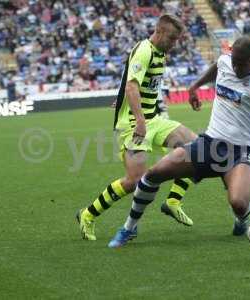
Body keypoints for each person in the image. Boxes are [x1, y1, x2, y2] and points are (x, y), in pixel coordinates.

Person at [108, 36, 250, 248]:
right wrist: (194, 87)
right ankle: (129, 228)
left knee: (238, 203)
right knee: (153, 174)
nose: (236, 68)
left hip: (241, 152)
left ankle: (242, 219)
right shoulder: (224, 62)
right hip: (209, 144)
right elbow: (216, 67)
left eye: (242, 64)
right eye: (234, 62)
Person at [76, 14, 198, 241]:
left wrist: (123, 98)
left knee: (197, 148)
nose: (174, 44)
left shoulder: (160, 52)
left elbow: (130, 81)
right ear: (159, 32)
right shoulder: (145, 50)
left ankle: (172, 202)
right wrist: (140, 120)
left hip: (155, 119)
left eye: (177, 40)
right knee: (135, 181)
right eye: (172, 38)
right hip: (134, 123)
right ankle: (87, 214)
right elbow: (132, 86)